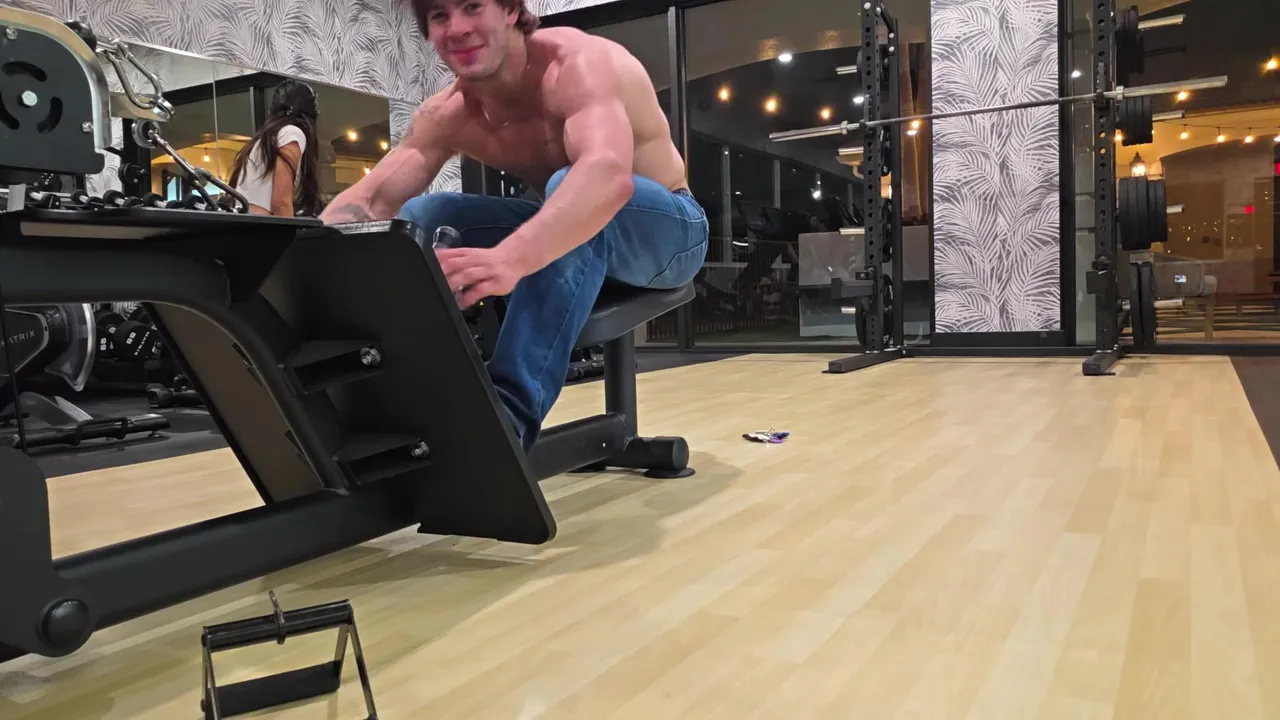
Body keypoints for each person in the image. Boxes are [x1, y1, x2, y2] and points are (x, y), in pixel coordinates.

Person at [319, 0, 709, 452]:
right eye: (440, 16)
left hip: (673, 235)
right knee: (426, 215)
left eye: (472, 6)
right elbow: (372, 200)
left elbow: (605, 177)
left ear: (509, 10)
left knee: (572, 189)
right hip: (579, 229)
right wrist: (294, 257)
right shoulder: (448, 114)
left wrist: (512, 258)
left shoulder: (577, 66)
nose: (457, 28)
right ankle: (402, 393)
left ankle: (505, 420)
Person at [229, 80, 323, 217]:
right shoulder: (291, 133)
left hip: (249, 223)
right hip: (266, 226)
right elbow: (280, 201)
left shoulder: (265, 138)